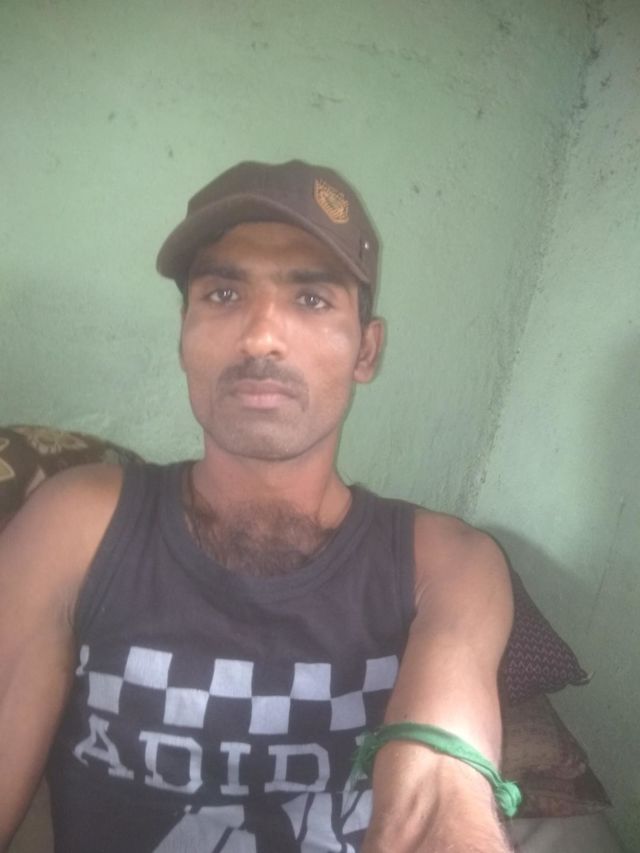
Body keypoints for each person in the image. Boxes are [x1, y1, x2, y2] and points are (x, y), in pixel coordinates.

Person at [0, 160, 514, 852]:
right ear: (183, 335)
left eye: (312, 300)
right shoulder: (76, 524)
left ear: (366, 351)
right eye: (222, 293)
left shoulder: (450, 563)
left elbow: (438, 793)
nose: (260, 336)